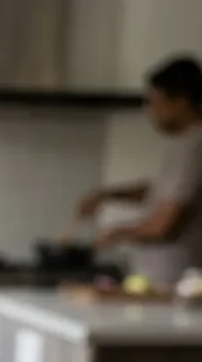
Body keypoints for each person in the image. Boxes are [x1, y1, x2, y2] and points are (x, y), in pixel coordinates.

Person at [77, 55, 202, 286]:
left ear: (181, 102)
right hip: (159, 284)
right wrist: (107, 195)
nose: (150, 111)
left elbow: (163, 227)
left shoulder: (195, 149)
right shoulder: (185, 144)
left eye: (156, 102)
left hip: (173, 287)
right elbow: (161, 191)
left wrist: (114, 233)